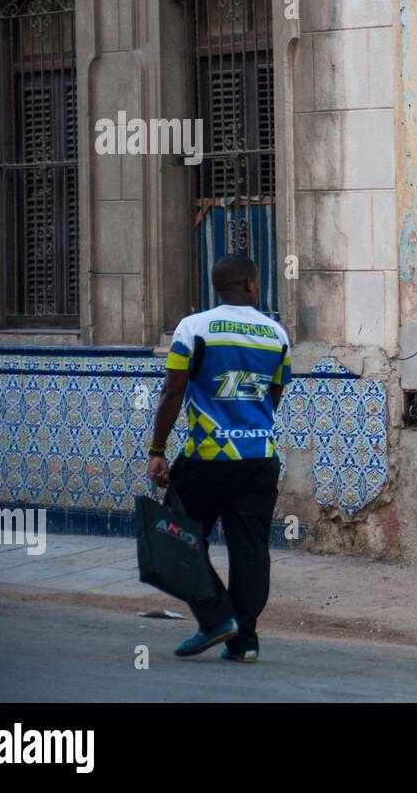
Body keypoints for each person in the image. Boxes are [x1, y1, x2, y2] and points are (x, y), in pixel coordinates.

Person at [146, 253, 291, 662]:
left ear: (218, 285)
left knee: (173, 536)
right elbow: (272, 396)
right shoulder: (276, 334)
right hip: (259, 456)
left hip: (206, 457)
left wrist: (158, 450)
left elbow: (173, 392)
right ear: (251, 282)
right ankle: (244, 640)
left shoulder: (193, 328)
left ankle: (214, 618)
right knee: (250, 548)